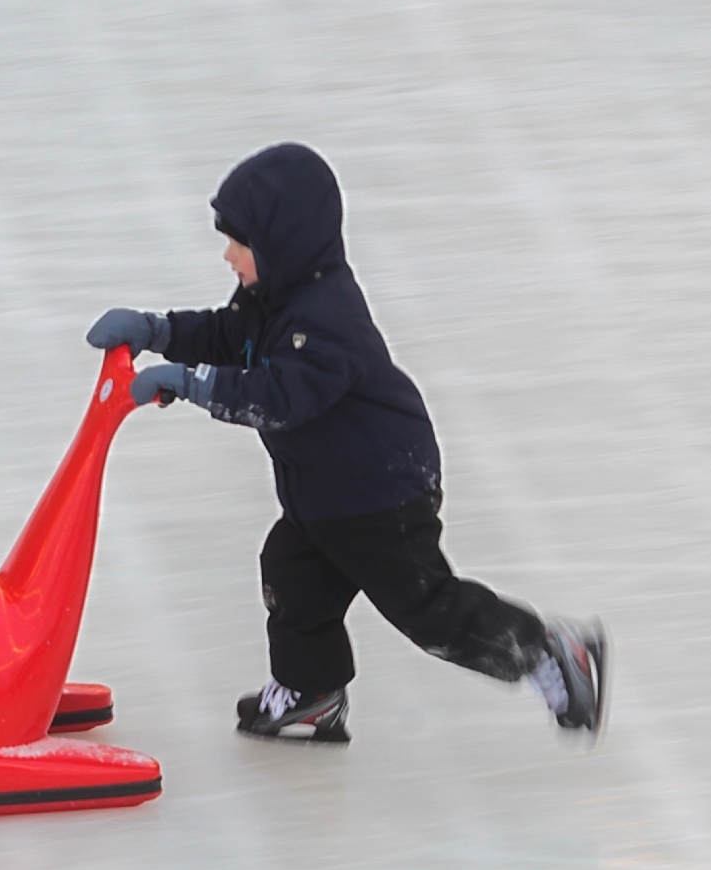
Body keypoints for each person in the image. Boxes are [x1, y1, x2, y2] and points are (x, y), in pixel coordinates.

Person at [88, 142, 604, 743]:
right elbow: (232, 336)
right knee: (291, 574)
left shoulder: (327, 318)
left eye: (240, 243)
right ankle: (312, 695)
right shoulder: (270, 298)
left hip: (379, 490)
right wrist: (162, 331)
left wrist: (189, 383)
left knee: (425, 607)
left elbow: (280, 397)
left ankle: (550, 653)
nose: (228, 255)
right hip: (324, 494)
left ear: (282, 244)